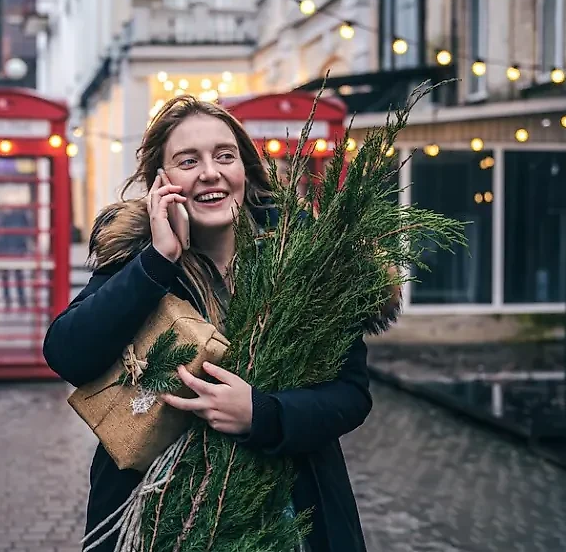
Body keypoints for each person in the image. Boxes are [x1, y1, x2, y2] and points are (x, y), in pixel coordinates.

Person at [43, 95, 400, 552]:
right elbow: (67, 354)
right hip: (157, 520)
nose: (210, 172)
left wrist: (261, 414)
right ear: (162, 182)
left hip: (293, 514)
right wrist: (158, 261)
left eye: (224, 156)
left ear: (245, 171)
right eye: (188, 161)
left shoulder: (303, 261)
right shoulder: (134, 261)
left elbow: (351, 395)